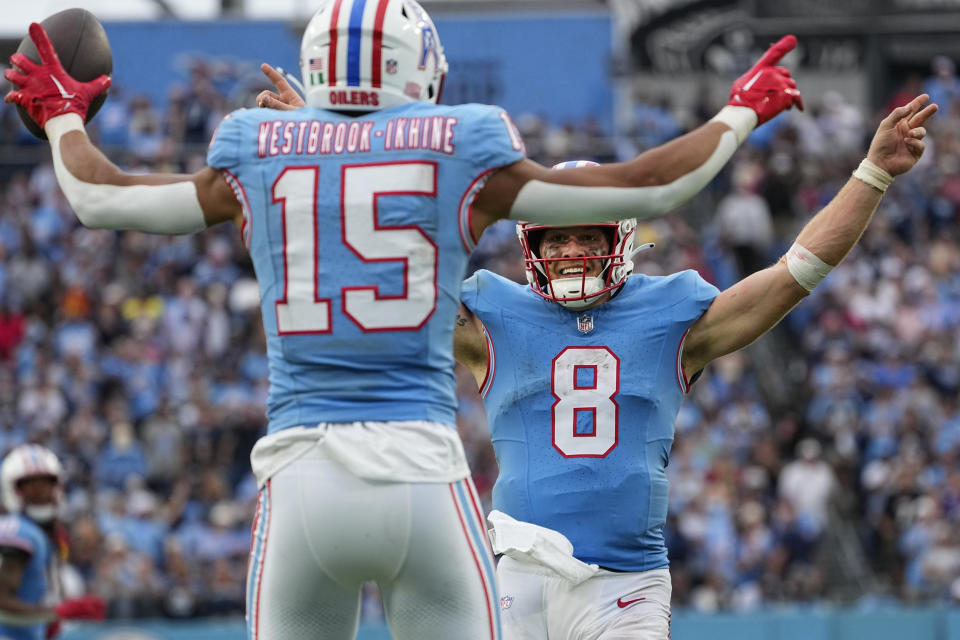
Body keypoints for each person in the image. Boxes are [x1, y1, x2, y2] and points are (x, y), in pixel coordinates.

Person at [4, 2, 802, 637]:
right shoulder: (458, 141)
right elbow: (648, 189)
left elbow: (97, 196)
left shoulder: (260, 146)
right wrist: (736, 114)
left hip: (300, 472)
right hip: (420, 469)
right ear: (421, 72)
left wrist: (64, 116)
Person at [453, 94, 936, 639]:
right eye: (557, 237)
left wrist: (873, 174)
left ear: (621, 237)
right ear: (529, 244)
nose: (571, 251)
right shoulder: (491, 313)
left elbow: (792, 275)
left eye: (588, 236)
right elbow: (395, 290)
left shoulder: (669, 313)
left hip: (623, 583)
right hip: (518, 579)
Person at [0, 445, 105, 640]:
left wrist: (48, 622)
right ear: (13, 489)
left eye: (47, 484)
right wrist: (59, 612)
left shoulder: (41, 532)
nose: (41, 492)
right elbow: (2, 604)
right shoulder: (19, 531)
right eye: (30, 486)